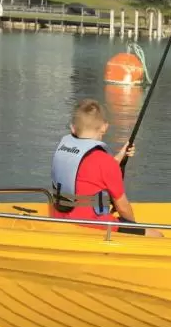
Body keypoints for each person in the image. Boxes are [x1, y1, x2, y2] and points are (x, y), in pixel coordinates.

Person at [50, 98, 162, 237]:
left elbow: (88, 173)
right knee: (157, 235)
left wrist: (120, 156)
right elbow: (123, 208)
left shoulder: (65, 151)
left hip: (61, 219)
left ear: (73, 127)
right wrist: (134, 230)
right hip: (91, 226)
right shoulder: (105, 162)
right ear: (104, 127)